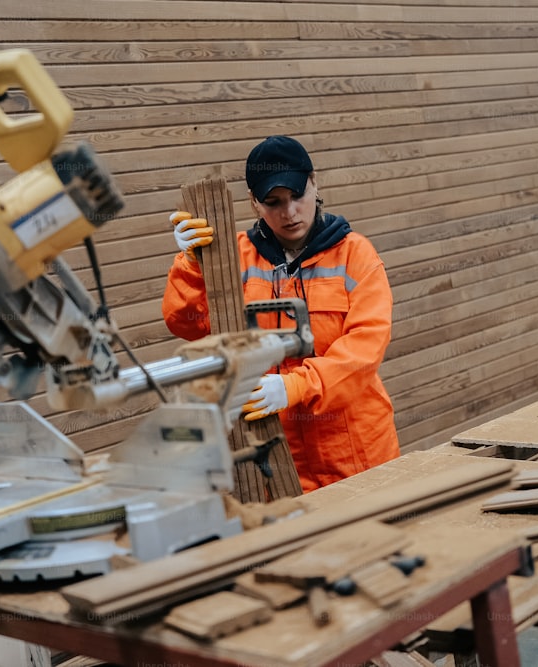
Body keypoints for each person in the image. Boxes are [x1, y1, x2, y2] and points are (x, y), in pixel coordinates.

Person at [162, 135, 400, 492]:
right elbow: (186, 324)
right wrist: (193, 264)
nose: (289, 213)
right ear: (253, 203)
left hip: (355, 454)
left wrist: (297, 385)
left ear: (314, 183)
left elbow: (365, 349)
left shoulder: (355, 256)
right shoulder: (233, 257)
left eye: (297, 197)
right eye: (273, 202)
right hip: (277, 460)